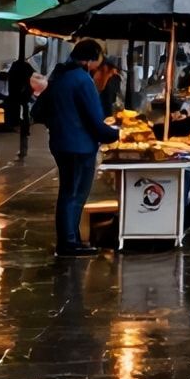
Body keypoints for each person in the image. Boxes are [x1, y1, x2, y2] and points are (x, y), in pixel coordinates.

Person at [35, 39, 120, 257]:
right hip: (79, 146)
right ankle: (68, 243)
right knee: (75, 194)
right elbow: (94, 118)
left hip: (61, 143)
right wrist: (116, 134)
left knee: (67, 192)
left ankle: (70, 239)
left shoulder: (61, 76)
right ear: (91, 59)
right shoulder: (82, 80)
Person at [5, 52, 36, 132]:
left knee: (16, 107)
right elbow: (33, 75)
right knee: (25, 108)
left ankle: (17, 124)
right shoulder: (26, 66)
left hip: (16, 91)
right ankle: (26, 126)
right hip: (24, 92)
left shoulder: (15, 66)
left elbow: (10, 77)